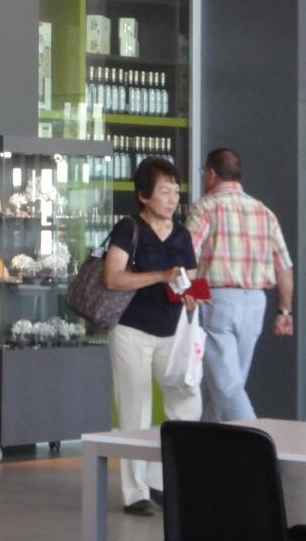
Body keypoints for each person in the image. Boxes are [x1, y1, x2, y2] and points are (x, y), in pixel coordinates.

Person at [103, 155, 201, 516]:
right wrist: (160, 276)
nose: (173, 199)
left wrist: (192, 294)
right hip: (131, 330)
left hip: (172, 332)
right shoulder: (129, 228)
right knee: (135, 409)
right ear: (144, 196)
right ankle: (135, 494)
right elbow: (113, 278)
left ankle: (160, 477)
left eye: (176, 191)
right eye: (164, 192)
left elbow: (189, 279)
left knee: (187, 399)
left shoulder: (182, 234)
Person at [187, 147, 294, 421]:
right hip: (256, 303)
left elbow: (187, 256)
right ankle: (206, 446)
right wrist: (284, 311)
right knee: (227, 386)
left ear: (211, 174)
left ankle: (259, 440)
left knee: (226, 388)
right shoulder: (264, 212)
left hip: (218, 300)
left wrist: (194, 297)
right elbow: (284, 265)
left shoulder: (205, 207)